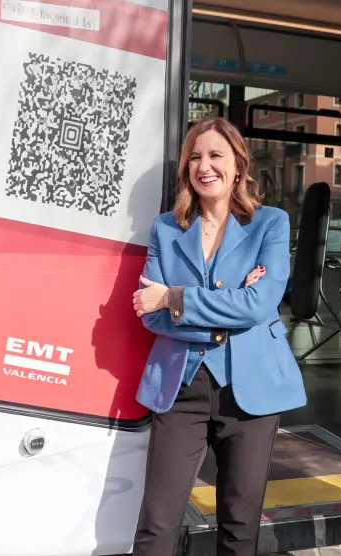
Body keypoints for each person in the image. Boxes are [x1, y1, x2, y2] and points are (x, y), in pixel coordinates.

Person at [130, 116, 307, 556]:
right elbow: (149, 315)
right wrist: (225, 309)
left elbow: (259, 304)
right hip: (181, 387)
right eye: (195, 157)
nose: (204, 166)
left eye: (215, 155)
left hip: (252, 389)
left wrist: (173, 297)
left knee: (239, 525)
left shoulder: (270, 223)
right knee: (157, 524)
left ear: (238, 165)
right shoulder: (166, 228)